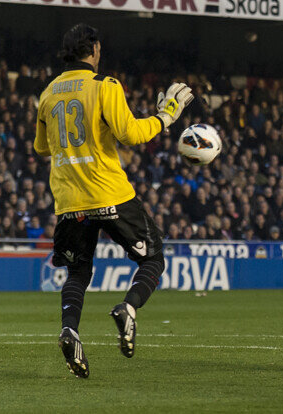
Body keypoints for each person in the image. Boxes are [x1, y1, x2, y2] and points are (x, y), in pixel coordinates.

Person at [34, 23, 193, 378]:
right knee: (153, 259)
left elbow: (41, 147)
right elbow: (130, 134)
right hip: (110, 193)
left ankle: (70, 330)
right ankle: (128, 308)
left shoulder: (47, 94)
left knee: (78, 271)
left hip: (69, 200)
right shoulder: (105, 86)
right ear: (92, 50)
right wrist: (166, 115)